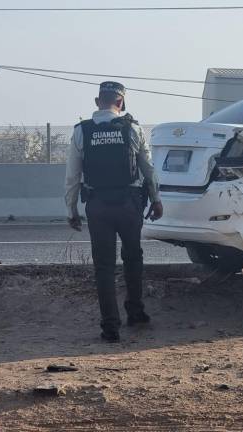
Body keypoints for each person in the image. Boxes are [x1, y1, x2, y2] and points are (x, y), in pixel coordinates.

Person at [64, 81, 163, 342]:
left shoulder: (81, 132)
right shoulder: (133, 128)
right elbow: (148, 170)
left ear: (98, 102)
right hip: (129, 204)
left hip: (97, 205)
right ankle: (136, 311)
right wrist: (156, 199)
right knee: (133, 258)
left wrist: (72, 209)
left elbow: (72, 176)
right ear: (121, 103)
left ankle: (110, 327)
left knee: (104, 267)